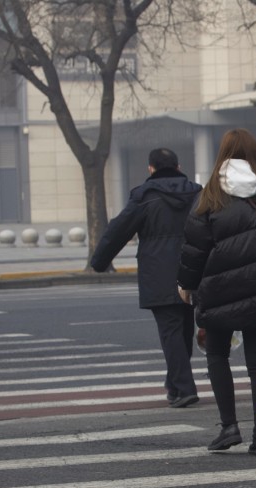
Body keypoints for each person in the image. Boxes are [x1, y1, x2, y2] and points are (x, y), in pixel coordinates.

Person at [178, 129, 256, 455]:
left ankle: (229, 426)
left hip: (219, 286)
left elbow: (195, 248)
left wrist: (186, 285)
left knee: (217, 354)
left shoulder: (210, 196)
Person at [91, 148, 202, 408]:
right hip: (193, 269)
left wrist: (99, 262)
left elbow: (118, 230)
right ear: (177, 166)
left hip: (158, 273)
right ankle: (175, 385)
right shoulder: (197, 193)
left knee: (171, 331)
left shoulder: (144, 196)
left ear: (151, 168)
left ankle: (184, 388)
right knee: (183, 329)